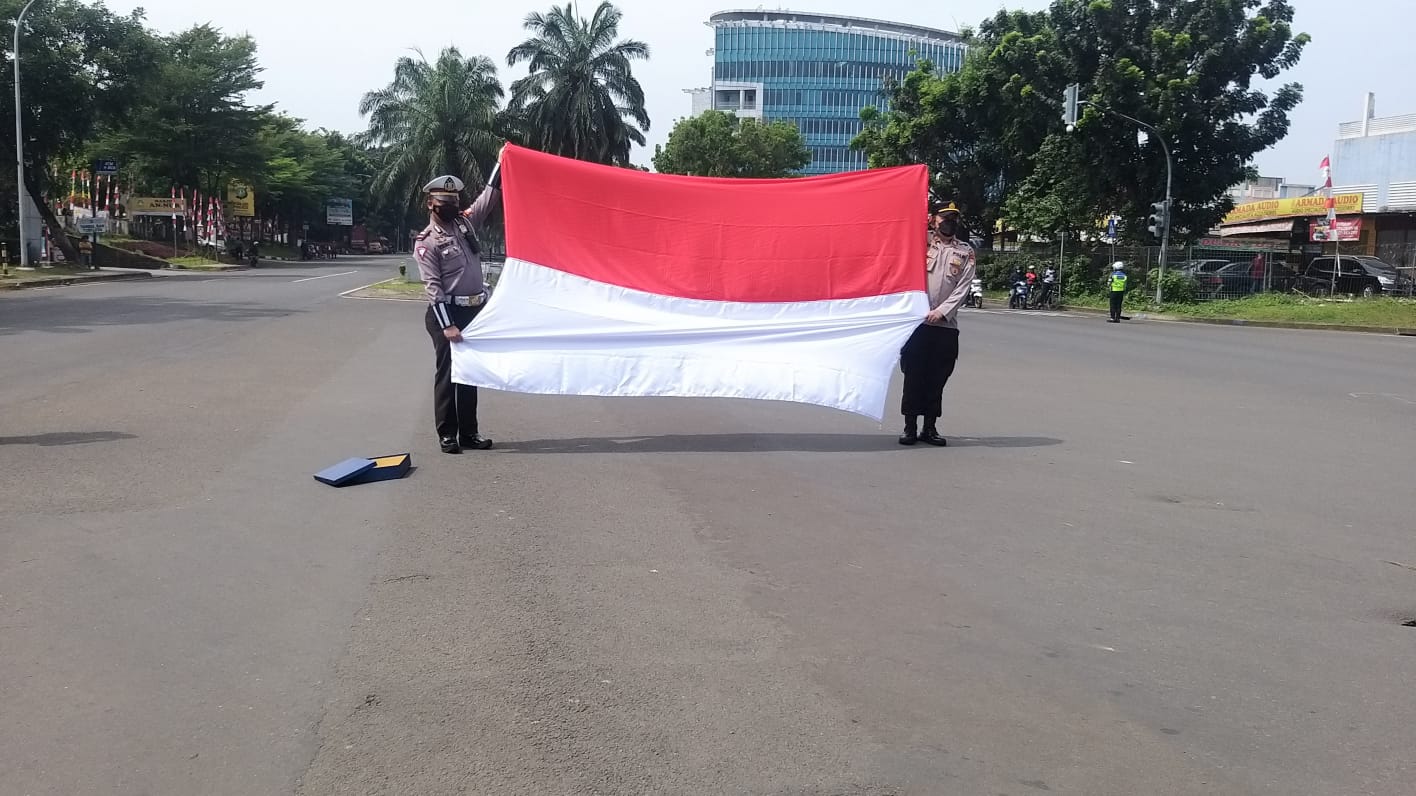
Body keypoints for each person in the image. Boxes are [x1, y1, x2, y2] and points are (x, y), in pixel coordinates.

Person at [414, 153, 504, 454]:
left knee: (470, 374)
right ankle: (447, 434)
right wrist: (448, 324)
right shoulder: (427, 241)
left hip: (473, 311)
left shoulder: (466, 225)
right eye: (444, 201)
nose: (451, 206)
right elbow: (433, 288)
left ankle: (469, 432)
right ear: (430, 203)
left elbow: (487, 199)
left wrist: (502, 163)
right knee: (448, 373)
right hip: (447, 314)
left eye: (454, 200)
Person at [900, 203, 976, 447]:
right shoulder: (919, 242)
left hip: (945, 326)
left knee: (938, 377)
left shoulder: (965, 251)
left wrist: (942, 312)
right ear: (934, 219)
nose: (949, 223)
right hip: (917, 323)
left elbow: (963, 288)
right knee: (913, 375)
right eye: (944, 218)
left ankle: (929, 427)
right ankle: (909, 427)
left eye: (953, 219)